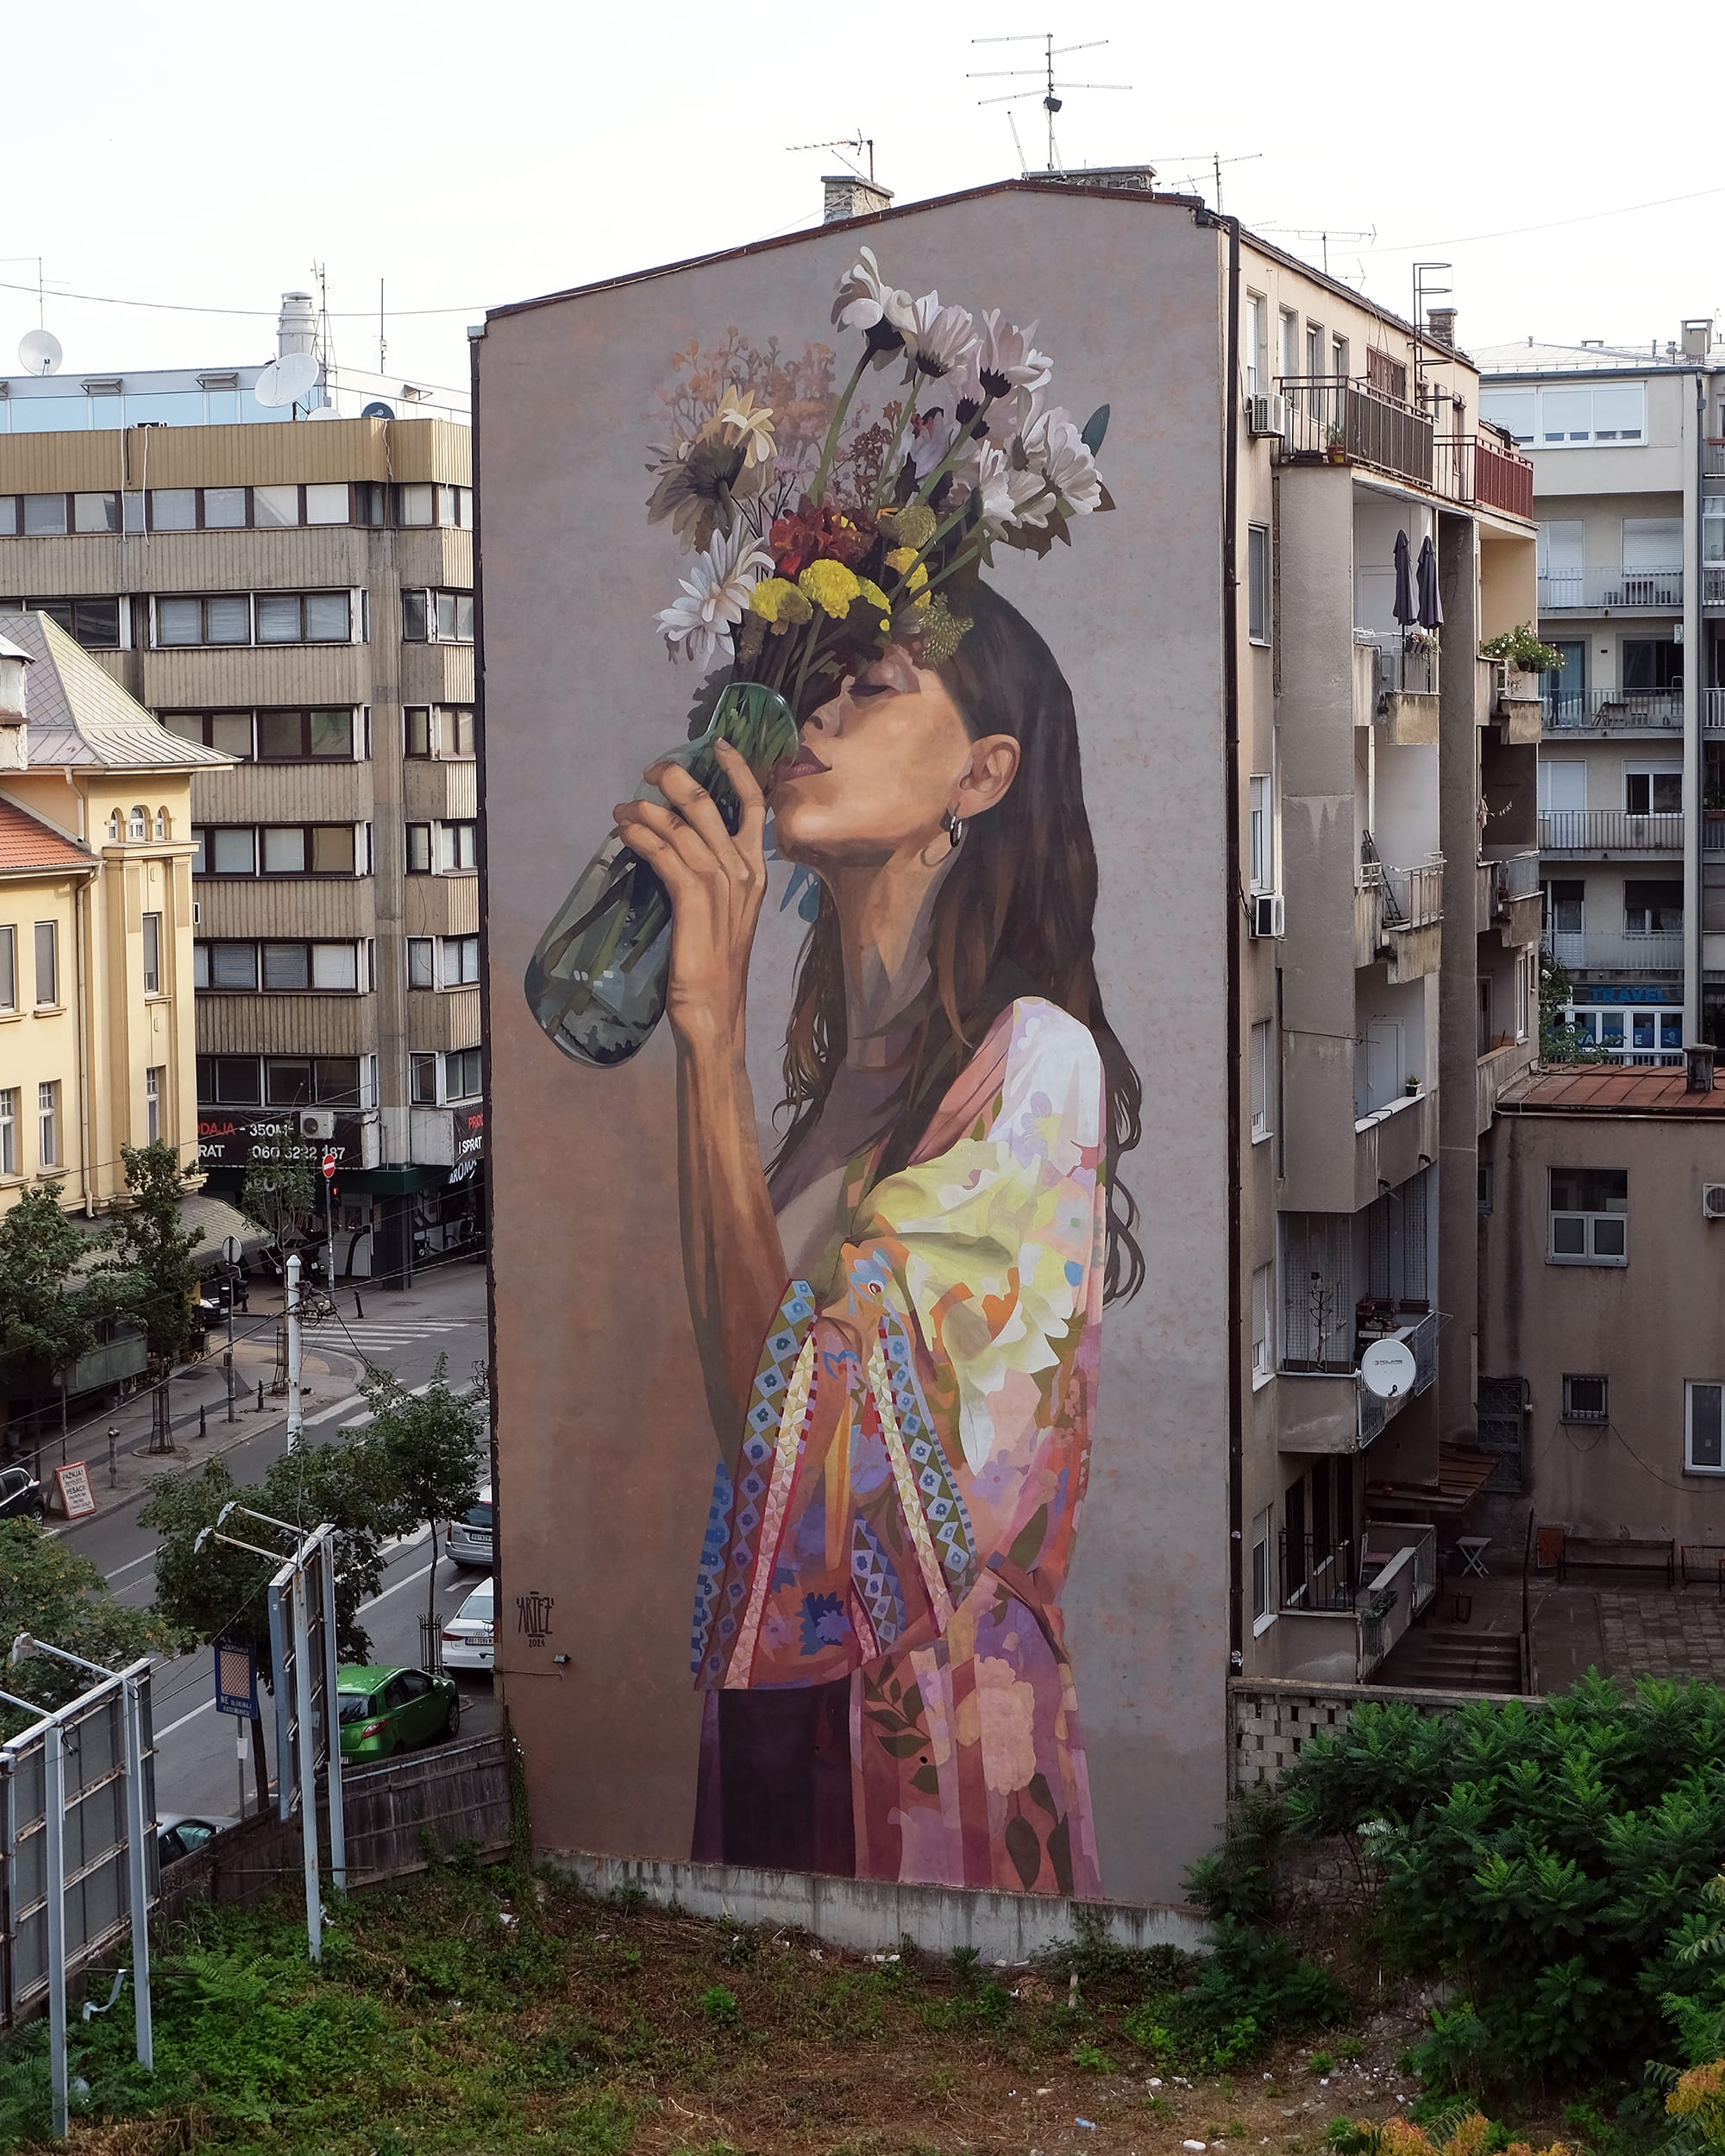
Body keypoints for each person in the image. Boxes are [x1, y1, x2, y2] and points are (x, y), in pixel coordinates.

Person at [613, 584, 1142, 1896]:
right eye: (815, 683)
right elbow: (758, 1431)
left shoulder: (1037, 1069)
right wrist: (710, 1046)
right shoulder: (826, 1111)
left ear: (983, 772)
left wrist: (710, 1032)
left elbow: (815, 1456)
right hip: (775, 1721)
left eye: (876, 684)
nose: (821, 713)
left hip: (930, 1751)